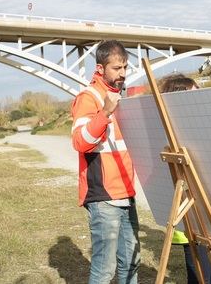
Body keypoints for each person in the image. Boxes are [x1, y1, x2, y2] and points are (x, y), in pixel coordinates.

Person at [71, 40, 140, 284]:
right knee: (104, 269)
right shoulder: (89, 98)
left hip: (126, 193)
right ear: (100, 69)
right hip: (103, 197)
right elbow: (80, 141)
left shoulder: (121, 96)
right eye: (116, 68)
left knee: (131, 262)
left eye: (125, 67)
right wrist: (105, 113)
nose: (122, 74)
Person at [160, 73, 211, 284]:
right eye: (193, 95)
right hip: (192, 220)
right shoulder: (169, 137)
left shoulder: (206, 127)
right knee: (201, 278)